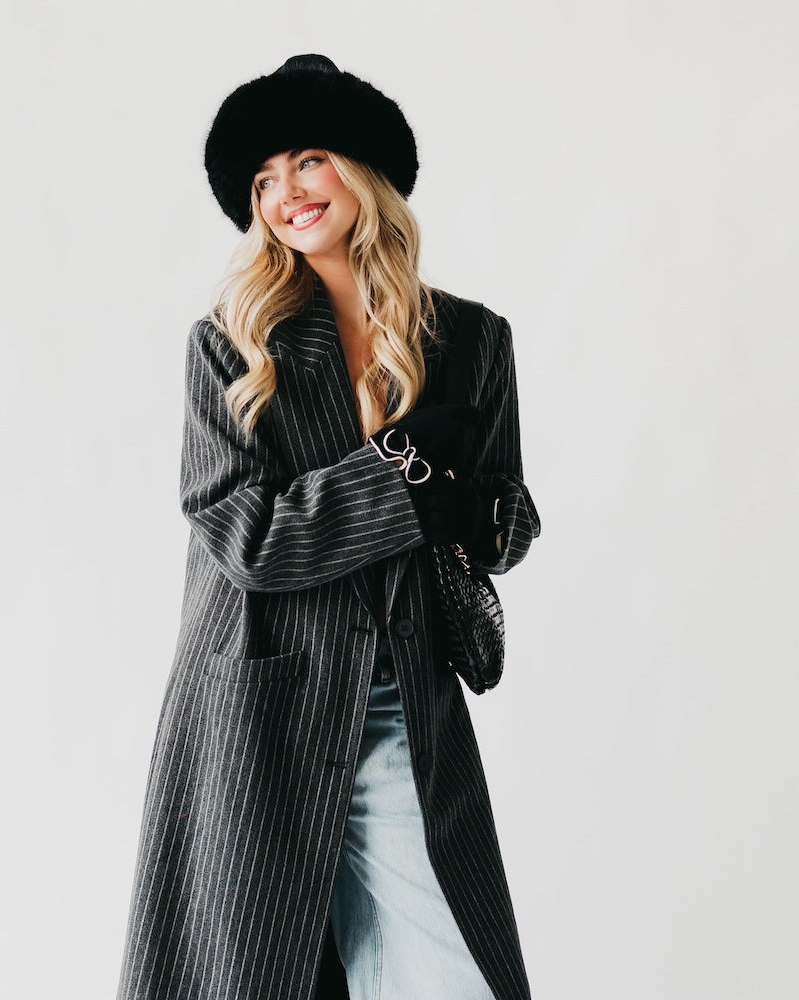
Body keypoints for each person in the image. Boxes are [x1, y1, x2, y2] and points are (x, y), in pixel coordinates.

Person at [116, 54, 541, 1000]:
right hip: (257, 712)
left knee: (454, 974)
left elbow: (508, 522)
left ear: (362, 170)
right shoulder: (230, 343)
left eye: (308, 160)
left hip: (404, 706)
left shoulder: (472, 339)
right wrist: (399, 476)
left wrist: (471, 510)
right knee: (247, 973)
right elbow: (247, 538)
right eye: (264, 179)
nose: (287, 193)